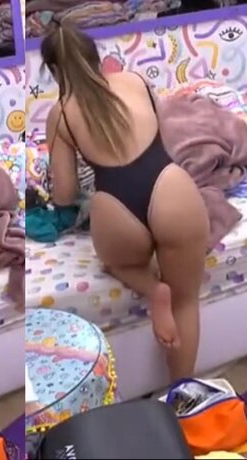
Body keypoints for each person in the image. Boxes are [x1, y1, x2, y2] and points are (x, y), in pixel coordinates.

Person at [41, 21, 209, 381]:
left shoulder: (60, 114)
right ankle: (182, 396)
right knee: (186, 302)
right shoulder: (134, 80)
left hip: (116, 207)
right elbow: (165, 139)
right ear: (95, 57)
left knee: (116, 263)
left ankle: (153, 289)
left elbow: (65, 194)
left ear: (54, 71)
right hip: (170, 188)